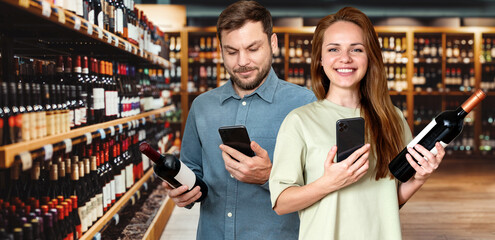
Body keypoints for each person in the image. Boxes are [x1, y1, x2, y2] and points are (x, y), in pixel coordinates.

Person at [269, 7, 445, 240]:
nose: (345, 58)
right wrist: (329, 183)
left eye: (357, 49)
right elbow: (281, 203)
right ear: (320, 59)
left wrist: (420, 178)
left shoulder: (391, 118)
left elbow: (389, 200)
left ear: (370, 57)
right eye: (334, 49)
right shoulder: (299, 121)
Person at [163, 1, 316, 239]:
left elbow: (322, 186)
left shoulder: (305, 105)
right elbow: (193, 169)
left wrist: (270, 177)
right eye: (231, 51)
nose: (242, 61)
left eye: (253, 49)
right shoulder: (202, 106)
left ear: (272, 43)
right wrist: (183, 190)